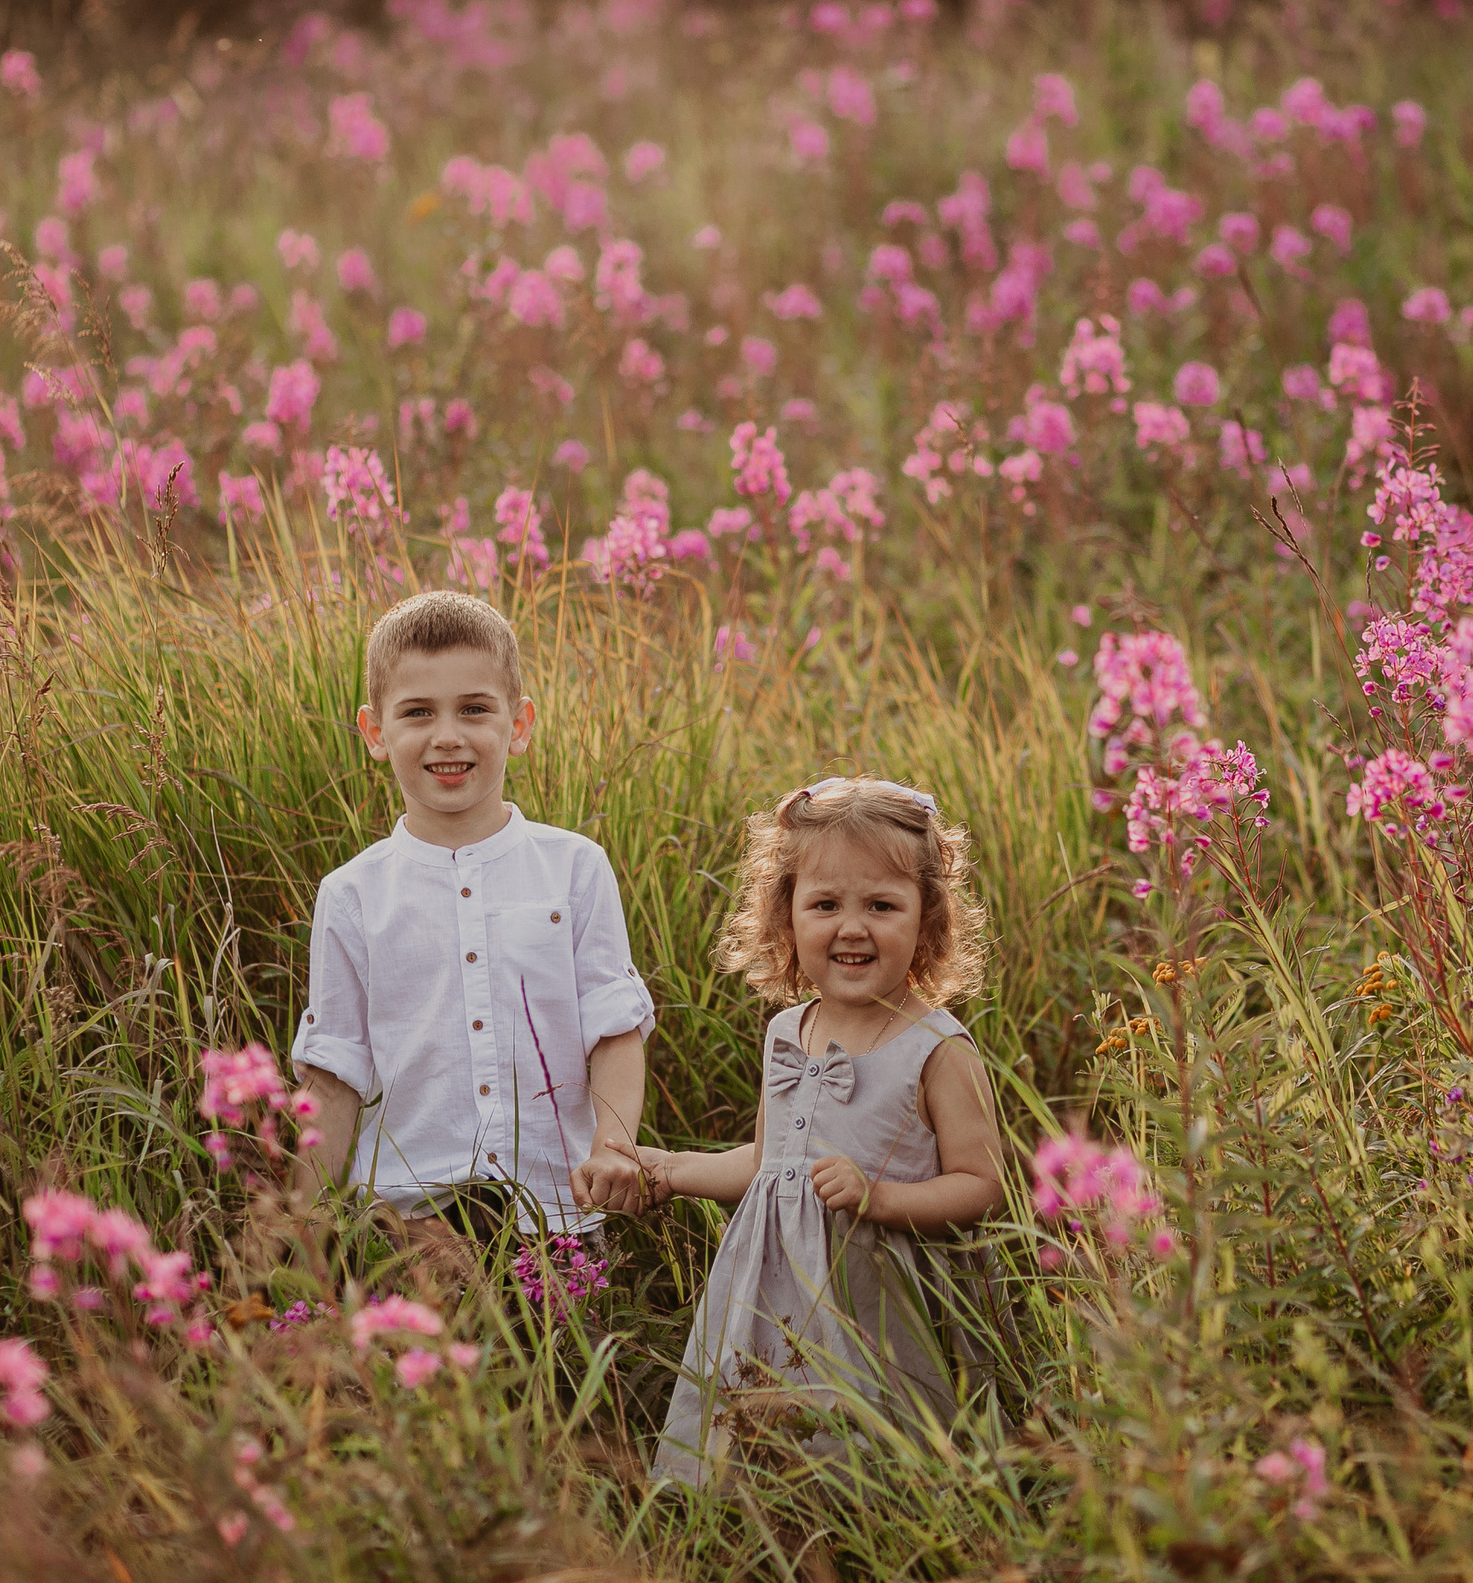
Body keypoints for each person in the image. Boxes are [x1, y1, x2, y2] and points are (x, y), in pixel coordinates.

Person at [642, 775, 1004, 1486]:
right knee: (756, 1447)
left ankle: (879, 1532)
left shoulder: (936, 1048)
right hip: (770, 1295)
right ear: (787, 917)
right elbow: (770, 1161)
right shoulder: (787, 1031)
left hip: (875, 1296)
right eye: (825, 904)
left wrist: (879, 1195)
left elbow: (983, 1184)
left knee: (880, 1457)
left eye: (881, 904)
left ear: (928, 920)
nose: (852, 926)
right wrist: (672, 1169)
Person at [289, 592, 654, 1279]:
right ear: (375, 731)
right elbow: (334, 1073)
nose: (447, 735)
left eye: (475, 709)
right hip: (409, 1225)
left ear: (519, 724)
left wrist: (614, 1145)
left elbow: (613, 1028)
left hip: (555, 1216)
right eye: (418, 712)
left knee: (561, 1378)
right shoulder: (351, 895)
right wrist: (301, 1234)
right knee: (419, 1387)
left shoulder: (574, 868)